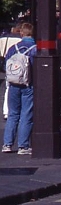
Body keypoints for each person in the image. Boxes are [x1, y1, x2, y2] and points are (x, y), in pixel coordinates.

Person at [2, 24, 37, 155]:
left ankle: (7, 144)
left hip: (13, 84)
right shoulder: (35, 49)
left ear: (21, 33)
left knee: (13, 114)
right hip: (28, 85)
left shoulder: (13, 48)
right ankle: (23, 146)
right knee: (26, 115)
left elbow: (5, 65)